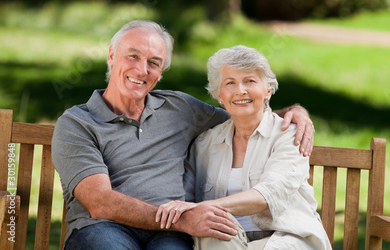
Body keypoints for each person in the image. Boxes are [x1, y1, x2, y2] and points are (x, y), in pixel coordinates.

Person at [51, 20, 315, 250]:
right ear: (111, 55)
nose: (142, 70)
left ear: (161, 71)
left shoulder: (179, 108)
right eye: (133, 56)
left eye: (154, 63)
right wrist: (184, 218)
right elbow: (100, 202)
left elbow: (243, 113)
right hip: (104, 227)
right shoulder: (77, 123)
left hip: (170, 234)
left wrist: (294, 111)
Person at [156, 45, 331, 250]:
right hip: (228, 239)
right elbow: (185, 198)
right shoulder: (205, 144)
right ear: (219, 95)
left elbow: (268, 194)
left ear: (267, 90)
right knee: (211, 231)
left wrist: (201, 207)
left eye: (250, 81)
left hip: (287, 238)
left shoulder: (289, 135)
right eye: (230, 83)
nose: (240, 91)